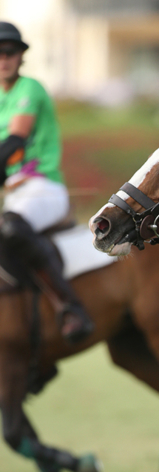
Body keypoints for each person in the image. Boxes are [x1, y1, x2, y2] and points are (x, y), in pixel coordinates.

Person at [0, 21, 93, 343]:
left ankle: (71, 307)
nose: (3, 59)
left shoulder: (30, 90)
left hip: (44, 189)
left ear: (21, 56)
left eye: (9, 52)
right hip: (14, 195)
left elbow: (14, 142)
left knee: (11, 228)